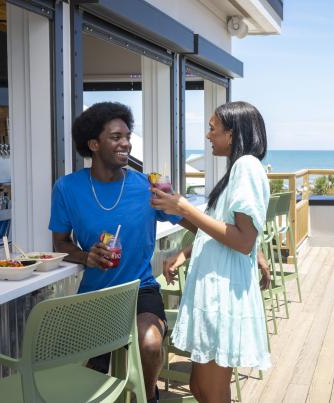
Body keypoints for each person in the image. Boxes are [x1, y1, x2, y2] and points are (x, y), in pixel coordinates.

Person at [49, 102, 193, 403]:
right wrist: (85, 256)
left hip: (140, 289)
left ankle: (147, 395)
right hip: (96, 296)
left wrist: (182, 245)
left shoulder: (148, 188)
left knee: (150, 343)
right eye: (116, 136)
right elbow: (59, 243)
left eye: (127, 135)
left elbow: (198, 226)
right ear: (93, 144)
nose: (126, 142)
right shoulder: (67, 188)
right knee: (94, 381)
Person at [151, 101, 270, 402]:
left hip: (223, 295)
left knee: (212, 392)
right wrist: (184, 251)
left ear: (232, 134)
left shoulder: (247, 167)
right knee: (200, 389)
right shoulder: (236, 171)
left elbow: (244, 240)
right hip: (213, 292)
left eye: (212, 128)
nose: (208, 136)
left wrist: (186, 208)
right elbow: (220, 229)